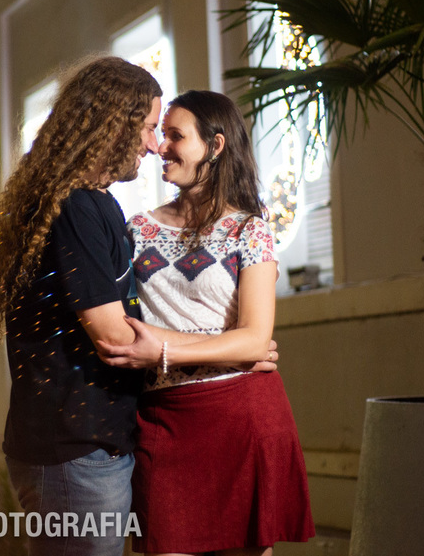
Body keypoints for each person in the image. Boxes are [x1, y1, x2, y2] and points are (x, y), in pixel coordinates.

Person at [0, 59, 275, 556]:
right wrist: (232, 349)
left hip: (91, 444)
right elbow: (118, 338)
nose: (154, 143)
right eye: (151, 127)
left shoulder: (86, 204)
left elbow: (135, 329)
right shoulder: (79, 208)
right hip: (75, 447)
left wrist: (240, 345)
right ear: (115, 123)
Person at [98, 89, 314, 556]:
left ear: (215, 147)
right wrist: (225, 344)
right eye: (162, 134)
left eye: (175, 136)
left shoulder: (249, 230)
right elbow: (121, 324)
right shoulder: (135, 230)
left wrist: (163, 349)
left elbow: (256, 338)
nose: (160, 146)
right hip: (164, 423)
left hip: (242, 419)